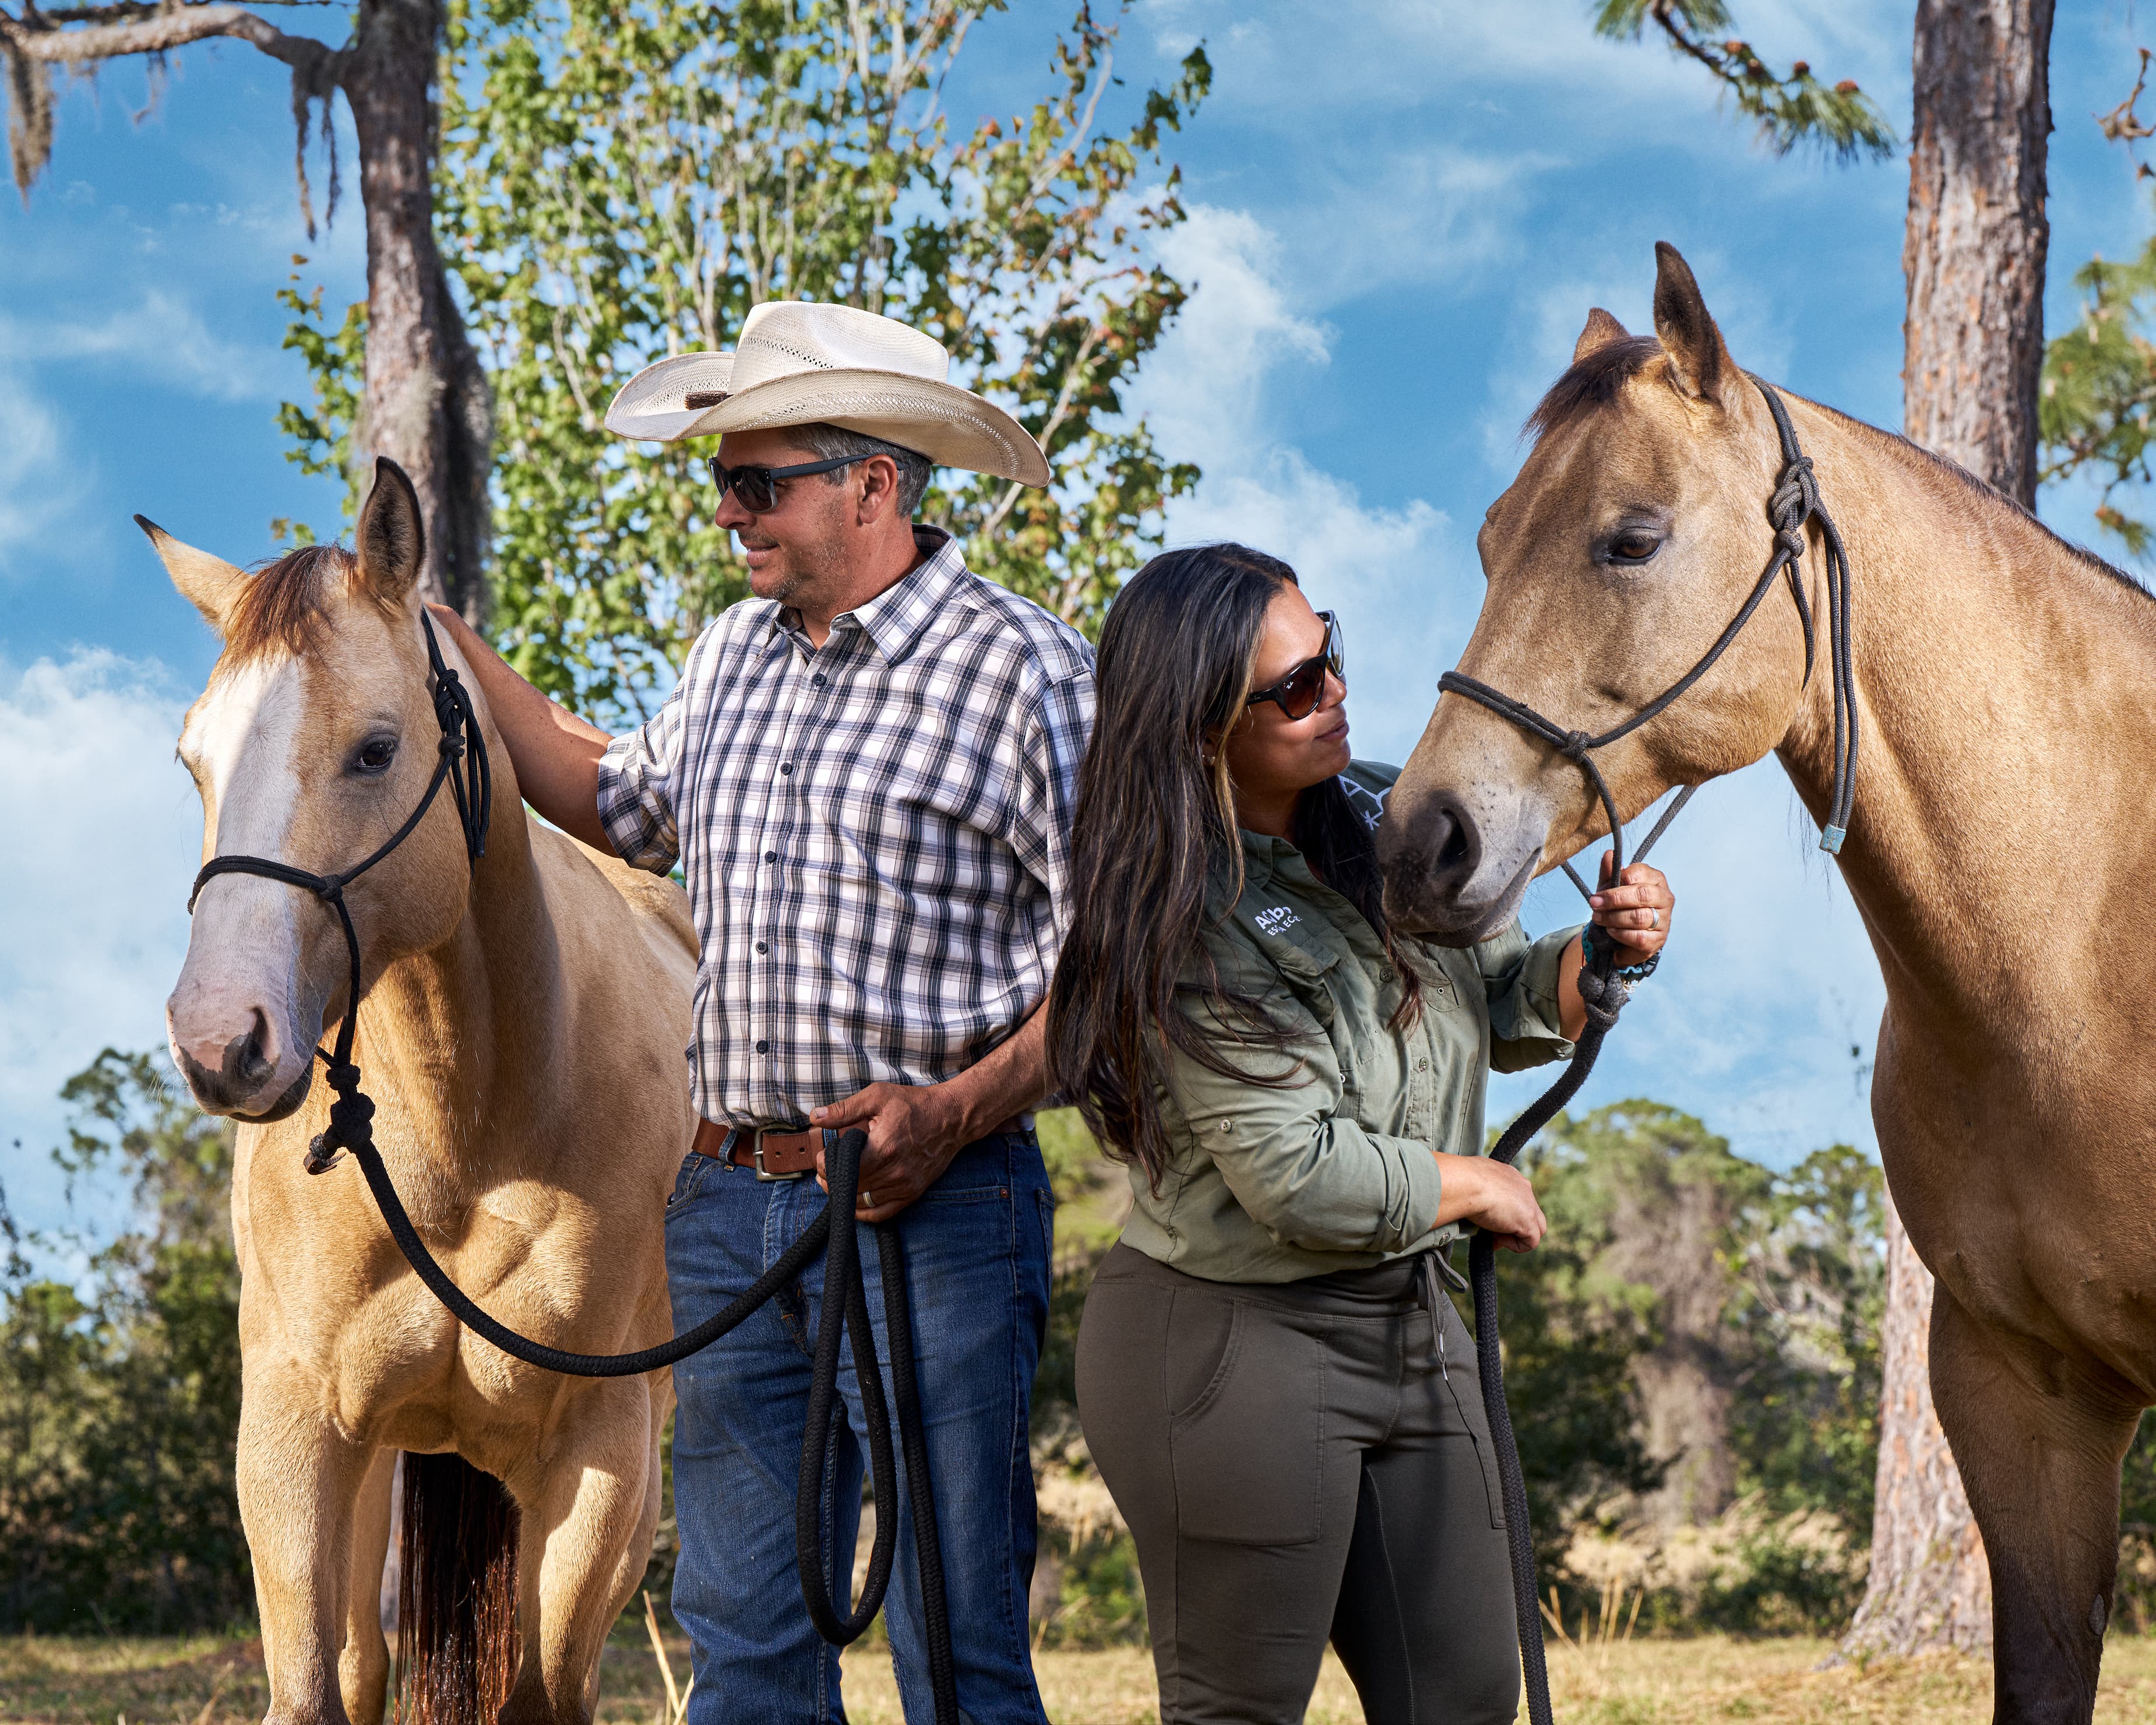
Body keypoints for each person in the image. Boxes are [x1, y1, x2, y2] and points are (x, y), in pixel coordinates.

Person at [428, 300, 1091, 1725]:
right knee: (742, 1650)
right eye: (720, 481)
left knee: (956, 1647)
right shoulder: (729, 654)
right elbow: (609, 798)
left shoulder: (1020, 667)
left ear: (874, 483)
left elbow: (1121, 965)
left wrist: (954, 1111)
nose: (726, 513)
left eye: (755, 481)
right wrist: (440, 638)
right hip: (727, 1205)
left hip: (937, 1210)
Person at [1048, 543, 1675, 1725]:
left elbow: (1498, 995)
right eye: (1291, 688)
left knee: (1466, 1698)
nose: (1331, 689)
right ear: (1197, 729)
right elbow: (1292, 1172)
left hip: (1406, 1319)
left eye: (1325, 653)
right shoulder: (1176, 916)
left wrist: (1603, 957)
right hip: (1227, 1342)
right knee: (1240, 1708)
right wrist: (1467, 1182)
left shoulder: (1386, 813)